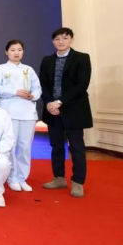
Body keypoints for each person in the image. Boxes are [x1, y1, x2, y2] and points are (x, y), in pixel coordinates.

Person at [39, 27, 92, 198]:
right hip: (52, 111)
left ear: (71, 39)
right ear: (53, 41)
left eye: (64, 38)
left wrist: (60, 102)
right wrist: (49, 103)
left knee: (76, 147)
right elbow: (43, 85)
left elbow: (81, 85)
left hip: (73, 109)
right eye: (57, 39)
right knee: (56, 146)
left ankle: (78, 182)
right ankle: (59, 178)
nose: (60, 42)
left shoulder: (82, 58)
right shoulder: (47, 60)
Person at [0, 39, 41, 192]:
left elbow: (37, 88)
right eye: (12, 50)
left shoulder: (29, 69)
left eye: (19, 50)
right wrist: (15, 92)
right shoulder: (1, 69)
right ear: (6, 52)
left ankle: (22, 177)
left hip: (28, 113)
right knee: (10, 147)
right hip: (9, 112)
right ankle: (12, 178)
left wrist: (33, 95)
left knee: (25, 147)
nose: (16, 53)